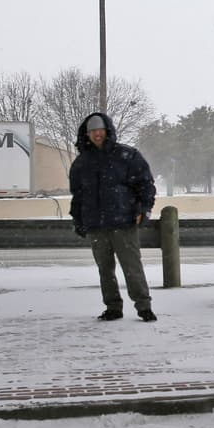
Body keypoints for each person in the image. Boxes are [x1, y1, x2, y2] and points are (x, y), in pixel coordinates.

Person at [69, 112, 158, 322]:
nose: (96, 134)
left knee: (132, 267)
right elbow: (78, 196)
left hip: (124, 223)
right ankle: (113, 307)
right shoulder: (82, 163)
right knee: (104, 270)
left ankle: (144, 306)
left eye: (99, 130)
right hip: (96, 226)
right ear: (86, 134)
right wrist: (79, 220)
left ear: (107, 131)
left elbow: (146, 185)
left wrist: (143, 210)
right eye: (92, 131)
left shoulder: (127, 156)